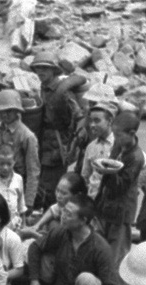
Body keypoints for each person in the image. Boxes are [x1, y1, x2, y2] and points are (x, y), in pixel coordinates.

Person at [30, 52, 85, 210]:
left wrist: (75, 141)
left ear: (53, 70)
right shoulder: (44, 88)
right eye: (38, 68)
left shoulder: (63, 91)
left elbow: (78, 115)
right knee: (41, 186)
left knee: (53, 191)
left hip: (57, 147)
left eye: (45, 69)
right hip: (43, 144)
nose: (41, 72)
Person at [94, 111, 144, 268]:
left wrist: (109, 173)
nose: (115, 139)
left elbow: (121, 186)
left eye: (118, 135)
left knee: (115, 258)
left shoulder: (136, 157)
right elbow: (109, 163)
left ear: (132, 133)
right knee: (99, 251)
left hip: (121, 212)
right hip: (105, 206)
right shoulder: (118, 145)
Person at [0, 89, 40, 212]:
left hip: (17, 187)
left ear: (17, 111)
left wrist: (28, 202)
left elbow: (33, 171)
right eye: (1, 111)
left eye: (9, 111)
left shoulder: (27, 136)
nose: (4, 115)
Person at [81, 101, 117, 199]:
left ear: (109, 121)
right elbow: (85, 176)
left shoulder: (118, 145)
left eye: (97, 121)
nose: (92, 125)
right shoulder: (91, 147)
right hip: (93, 199)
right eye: (91, 121)